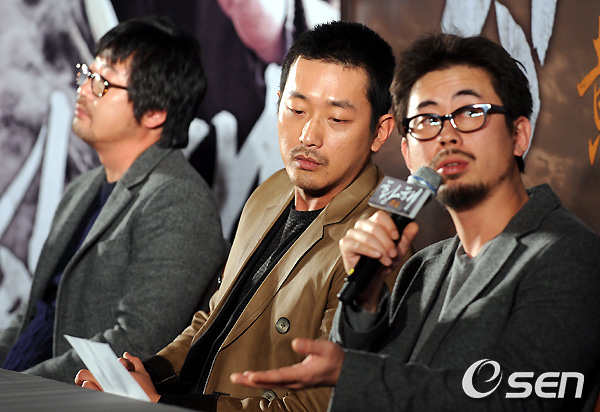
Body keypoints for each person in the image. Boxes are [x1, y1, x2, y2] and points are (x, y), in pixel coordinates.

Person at [230, 33, 600, 411]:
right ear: (407, 153)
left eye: (470, 113)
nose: (447, 135)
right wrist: (366, 296)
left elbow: (520, 402)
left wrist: (352, 373)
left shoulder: (572, 257)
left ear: (519, 135)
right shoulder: (422, 267)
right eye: (427, 120)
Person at [76, 20, 403, 411]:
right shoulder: (272, 191)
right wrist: (145, 372)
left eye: (337, 119)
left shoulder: (379, 243)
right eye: (296, 109)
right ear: (277, 103)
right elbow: (213, 317)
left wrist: (163, 402)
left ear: (380, 131)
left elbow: (315, 405)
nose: (307, 136)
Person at [0, 16, 227, 384]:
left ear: (155, 112)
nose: (84, 89)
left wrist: (20, 385)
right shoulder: (82, 188)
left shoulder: (178, 200)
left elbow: (135, 342)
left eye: (102, 83)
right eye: (86, 74)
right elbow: (36, 312)